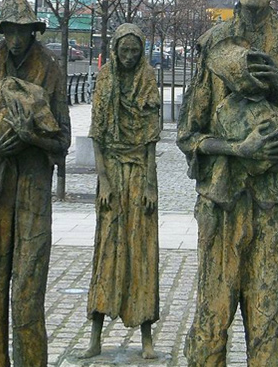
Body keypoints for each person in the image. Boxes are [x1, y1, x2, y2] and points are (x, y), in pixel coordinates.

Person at [177, 0, 278, 366]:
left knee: (266, 317)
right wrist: (238, 149)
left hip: (270, 204)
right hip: (219, 201)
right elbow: (187, 135)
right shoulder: (213, 43)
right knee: (212, 315)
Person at [0, 0, 71, 367]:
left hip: (33, 186)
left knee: (28, 289)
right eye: (9, 31)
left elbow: (62, 139)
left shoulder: (49, 67)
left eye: (22, 31)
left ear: (32, 31)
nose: (15, 39)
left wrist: (30, 137)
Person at [82, 23, 160, 360]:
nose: (129, 58)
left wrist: (151, 185)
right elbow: (97, 134)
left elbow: (151, 141)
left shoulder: (147, 79)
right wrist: (106, 181)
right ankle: (95, 336)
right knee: (107, 251)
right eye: (124, 51)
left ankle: (146, 337)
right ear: (114, 50)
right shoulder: (106, 79)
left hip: (140, 172)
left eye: (135, 51)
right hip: (112, 172)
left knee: (142, 253)